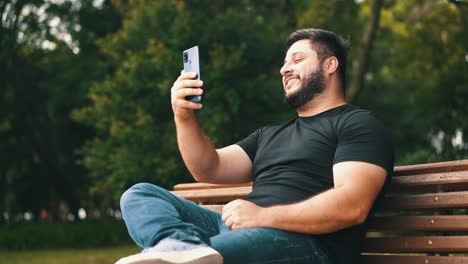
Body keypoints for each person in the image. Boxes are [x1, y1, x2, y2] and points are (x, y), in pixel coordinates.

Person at [116, 28, 394, 264]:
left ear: (330, 65)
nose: (284, 69)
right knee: (139, 195)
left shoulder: (357, 125)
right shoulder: (268, 135)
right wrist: (184, 116)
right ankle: (182, 247)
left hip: (306, 244)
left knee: (206, 255)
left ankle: (189, 253)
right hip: (240, 228)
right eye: (285, 63)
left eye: (297, 59)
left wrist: (262, 216)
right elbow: (208, 168)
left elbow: (352, 205)